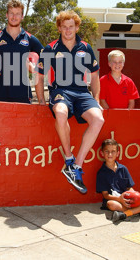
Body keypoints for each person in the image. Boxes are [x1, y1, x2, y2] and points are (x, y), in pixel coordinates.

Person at [36, 10, 105, 194]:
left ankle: (76, 167)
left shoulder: (85, 47)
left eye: (71, 27)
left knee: (98, 119)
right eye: (64, 27)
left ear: (76, 27)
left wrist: (96, 99)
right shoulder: (50, 48)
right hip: (60, 91)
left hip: (82, 92)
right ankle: (68, 158)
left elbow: (95, 76)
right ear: (59, 28)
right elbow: (40, 76)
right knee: (60, 112)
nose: (68, 30)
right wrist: (41, 100)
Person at [0, 0, 45, 104]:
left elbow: (46, 56)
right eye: (11, 13)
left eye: (17, 13)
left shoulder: (30, 39)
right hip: (0, 93)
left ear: (22, 16)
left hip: (24, 94)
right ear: (6, 15)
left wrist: (33, 67)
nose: (14, 17)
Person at [96, 139, 140, 222]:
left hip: (128, 199)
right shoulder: (101, 173)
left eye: (113, 151)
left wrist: (134, 197)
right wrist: (120, 199)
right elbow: (105, 195)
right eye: (107, 151)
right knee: (111, 204)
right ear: (102, 153)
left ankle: (124, 214)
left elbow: (129, 187)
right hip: (115, 200)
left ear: (118, 153)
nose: (110, 154)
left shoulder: (123, 169)